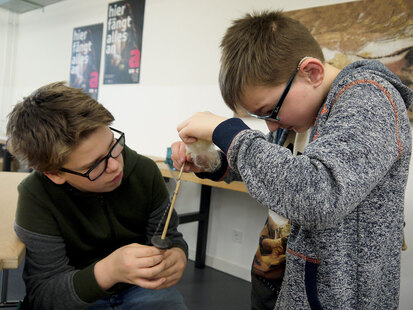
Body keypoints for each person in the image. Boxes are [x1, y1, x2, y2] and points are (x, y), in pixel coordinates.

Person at [171, 11, 412, 310]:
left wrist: (228, 132)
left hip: (333, 293)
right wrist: (215, 162)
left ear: (311, 73)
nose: (271, 126)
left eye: (269, 110)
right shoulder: (300, 115)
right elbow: (281, 172)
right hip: (276, 266)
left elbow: (318, 195)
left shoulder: (370, 100)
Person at [6, 82, 188, 310]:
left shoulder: (144, 171)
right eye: (95, 165)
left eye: (113, 145)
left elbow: (168, 236)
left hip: (139, 288)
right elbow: (45, 295)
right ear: (54, 174)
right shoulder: (36, 197)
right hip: (76, 297)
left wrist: (177, 255)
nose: (115, 166)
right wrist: (108, 271)